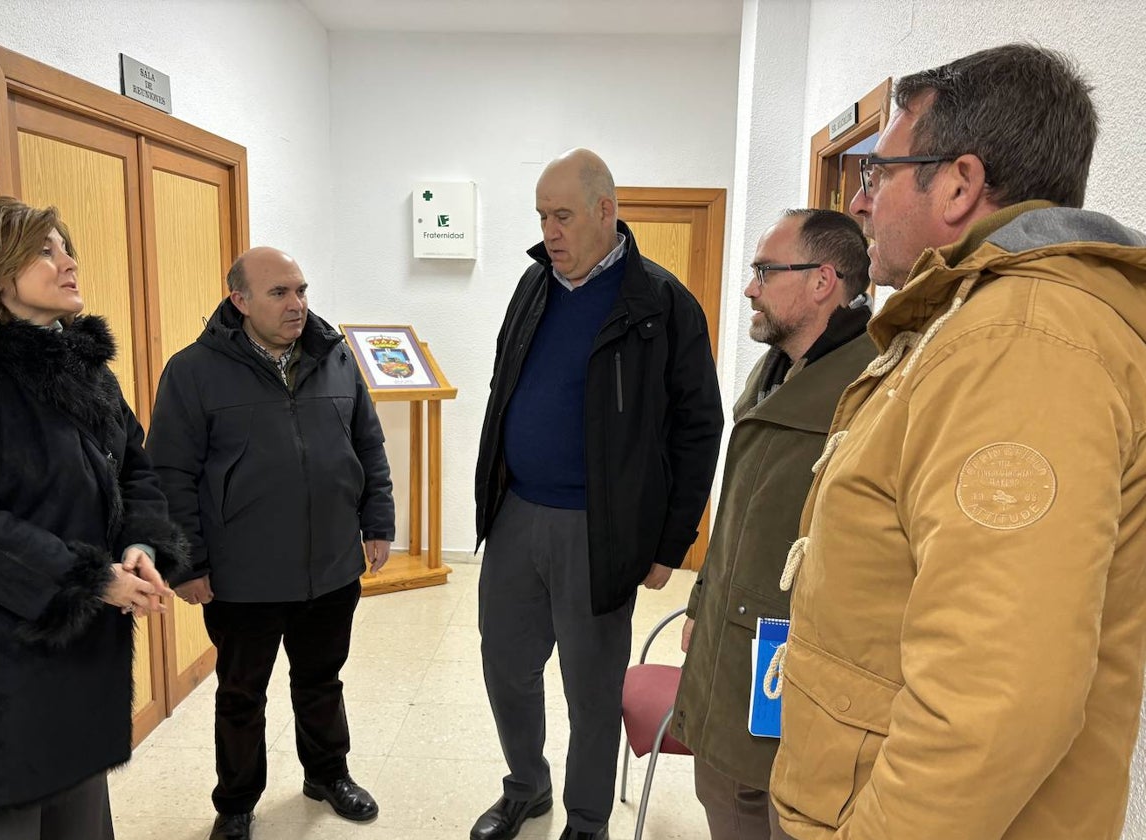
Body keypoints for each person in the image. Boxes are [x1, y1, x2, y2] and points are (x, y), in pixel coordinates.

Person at [769, 44, 1146, 840]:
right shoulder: (973, 322)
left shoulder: (1025, 343)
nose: (861, 204)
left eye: (878, 174)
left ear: (959, 183)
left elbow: (994, 704)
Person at [473, 148, 724, 840]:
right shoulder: (534, 286)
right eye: (541, 217)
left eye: (562, 216)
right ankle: (526, 786)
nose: (549, 232)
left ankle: (586, 820)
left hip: (600, 529)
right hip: (517, 512)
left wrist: (670, 543)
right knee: (506, 664)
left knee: (591, 688)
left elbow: (700, 427)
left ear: (605, 212)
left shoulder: (661, 302)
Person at [0, 196, 187, 839]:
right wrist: (85, 579)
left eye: (67, 247)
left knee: (80, 816)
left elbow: (135, 468)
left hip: (82, 647)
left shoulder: (84, 370)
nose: (69, 262)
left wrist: (140, 544)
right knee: (4, 811)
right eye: (45, 250)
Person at [146, 247, 395, 840]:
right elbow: (169, 475)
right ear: (240, 301)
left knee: (322, 680)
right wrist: (186, 564)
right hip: (242, 574)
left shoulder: (335, 357)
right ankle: (235, 803)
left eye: (302, 290)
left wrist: (377, 521)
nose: (298, 304)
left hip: (331, 565)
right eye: (280, 293)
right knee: (241, 693)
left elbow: (369, 445)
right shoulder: (193, 372)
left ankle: (327, 775)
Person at [670, 209, 873, 840]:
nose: (750, 287)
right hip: (733, 640)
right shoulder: (778, 368)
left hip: (798, 656)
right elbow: (738, 511)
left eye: (764, 270)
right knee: (724, 790)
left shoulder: (869, 385)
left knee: (784, 813)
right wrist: (700, 601)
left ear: (822, 281)